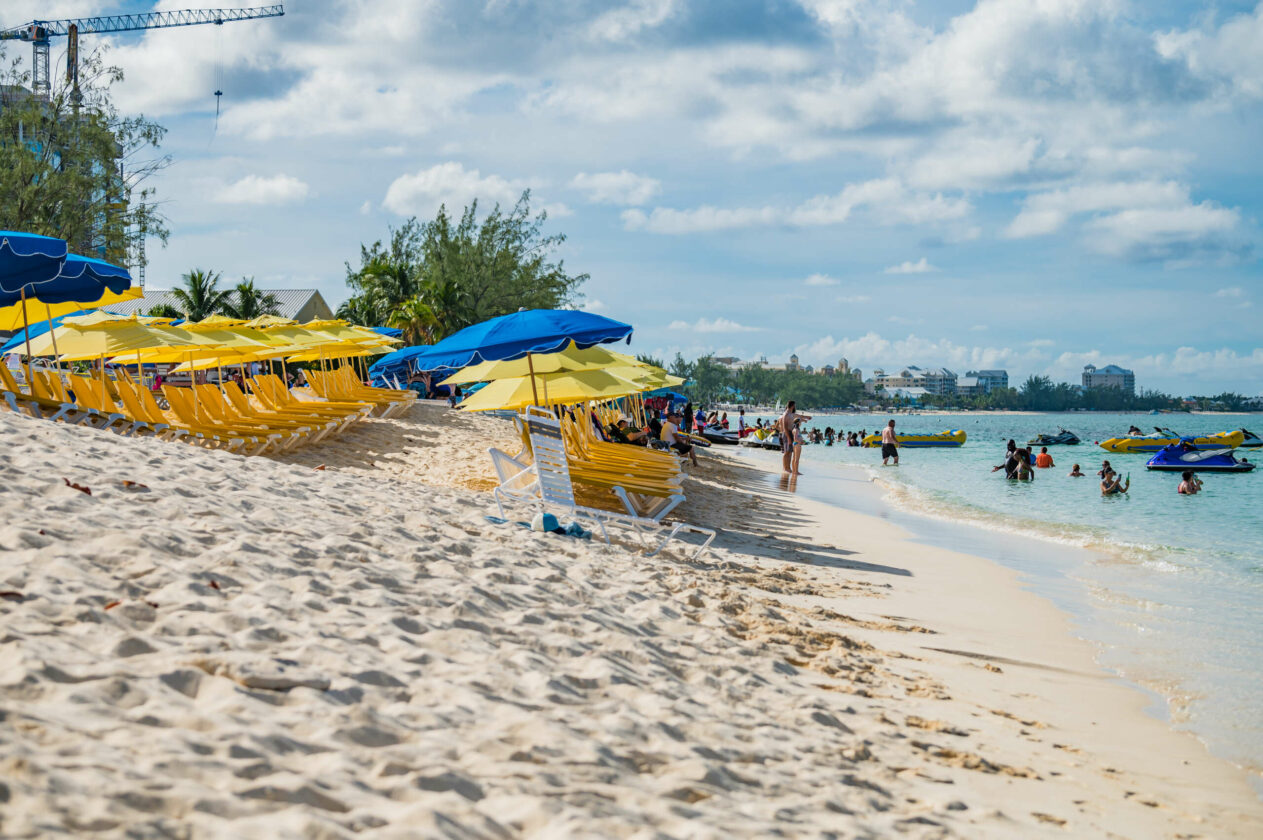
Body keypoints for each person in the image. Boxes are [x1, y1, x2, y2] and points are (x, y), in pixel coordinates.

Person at [780, 401, 813, 471]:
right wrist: (788, 437)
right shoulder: (786, 414)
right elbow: (785, 427)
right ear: (793, 406)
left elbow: (799, 416)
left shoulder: (791, 414)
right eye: (794, 405)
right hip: (787, 434)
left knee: (790, 452)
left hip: (790, 433)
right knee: (787, 452)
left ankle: (788, 468)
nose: (795, 407)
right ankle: (785, 468)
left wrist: (806, 417)